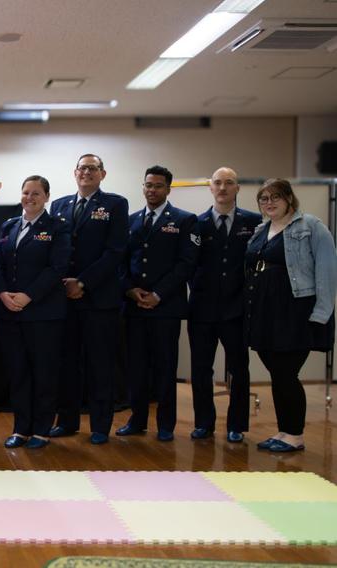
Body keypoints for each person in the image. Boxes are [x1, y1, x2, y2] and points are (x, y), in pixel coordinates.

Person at [246, 178, 337, 453]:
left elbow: (327, 271)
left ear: (289, 199)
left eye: (275, 197)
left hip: (295, 311)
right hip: (265, 312)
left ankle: (295, 435)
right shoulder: (262, 229)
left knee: (286, 373)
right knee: (277, 373)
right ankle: (284, 431)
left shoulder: (311, 226)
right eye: (264, 199)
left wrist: (321, 313)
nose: (269, 203)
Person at [48, 154, 128, 445]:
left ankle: (99, 426)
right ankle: (67, 421)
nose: (86, 173)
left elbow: (115, 251)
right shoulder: (59, 206)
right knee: (67, 364)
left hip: (99, 299)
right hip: (64, 299)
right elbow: (55, 249)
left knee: (100, 365)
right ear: (75, 172)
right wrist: (63, 284)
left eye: (92, 169)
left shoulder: (115, 204)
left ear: (102, 174)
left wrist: (83, 282)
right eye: (82, 168)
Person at [117, 165, 199, 441]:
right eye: (148, 185)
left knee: (165, 367)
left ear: (168, 189)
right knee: (136, 367)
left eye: (158, 186)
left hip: (166, 307)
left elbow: (186, 264)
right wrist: (130, 290)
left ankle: (166, 425)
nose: (152, 190)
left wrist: (158, 294)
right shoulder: (130, 220)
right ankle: (137, 420)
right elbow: (120, 262)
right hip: (134, 306)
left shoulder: (185, 220)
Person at [0, 175, 71, 449]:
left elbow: (57, 267)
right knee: (18, 373)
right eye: (26, 192)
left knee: (44, 374)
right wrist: (3, 294)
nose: (30, 197)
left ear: (47, 197)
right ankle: (21, 428)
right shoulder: (9, 225)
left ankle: (41, 430)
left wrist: (28, 296)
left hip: (43, 315)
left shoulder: (58, 227)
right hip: (9, 314)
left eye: (37, 193)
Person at [187, 167, 262, 443]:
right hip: (202, 309)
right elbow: (189, 264)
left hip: (237, 310)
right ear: (210, 188)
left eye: (229, 183)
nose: (223, 188)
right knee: (201, 369)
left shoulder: (254, 222)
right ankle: (203, 423)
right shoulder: (196, 223)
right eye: (217, 183)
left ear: (237, 188)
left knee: (239, 369)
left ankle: (236, 425)